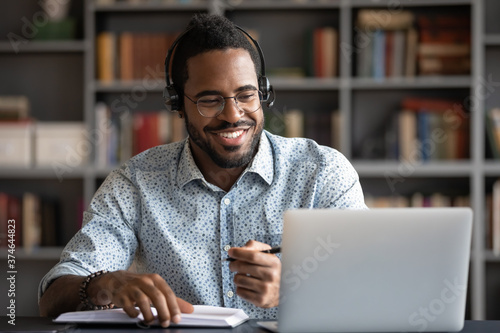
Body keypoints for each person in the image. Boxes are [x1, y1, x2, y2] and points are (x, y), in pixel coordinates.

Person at [39, 13, 367, 327]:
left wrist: (296, 288)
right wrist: (102, 283)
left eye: (246, 95)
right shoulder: (135, 183)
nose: (232, 115)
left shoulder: (323, 172)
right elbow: (53, 295)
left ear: (263, 93)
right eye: (210, 101)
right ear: (178, 105)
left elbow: (371, 286)